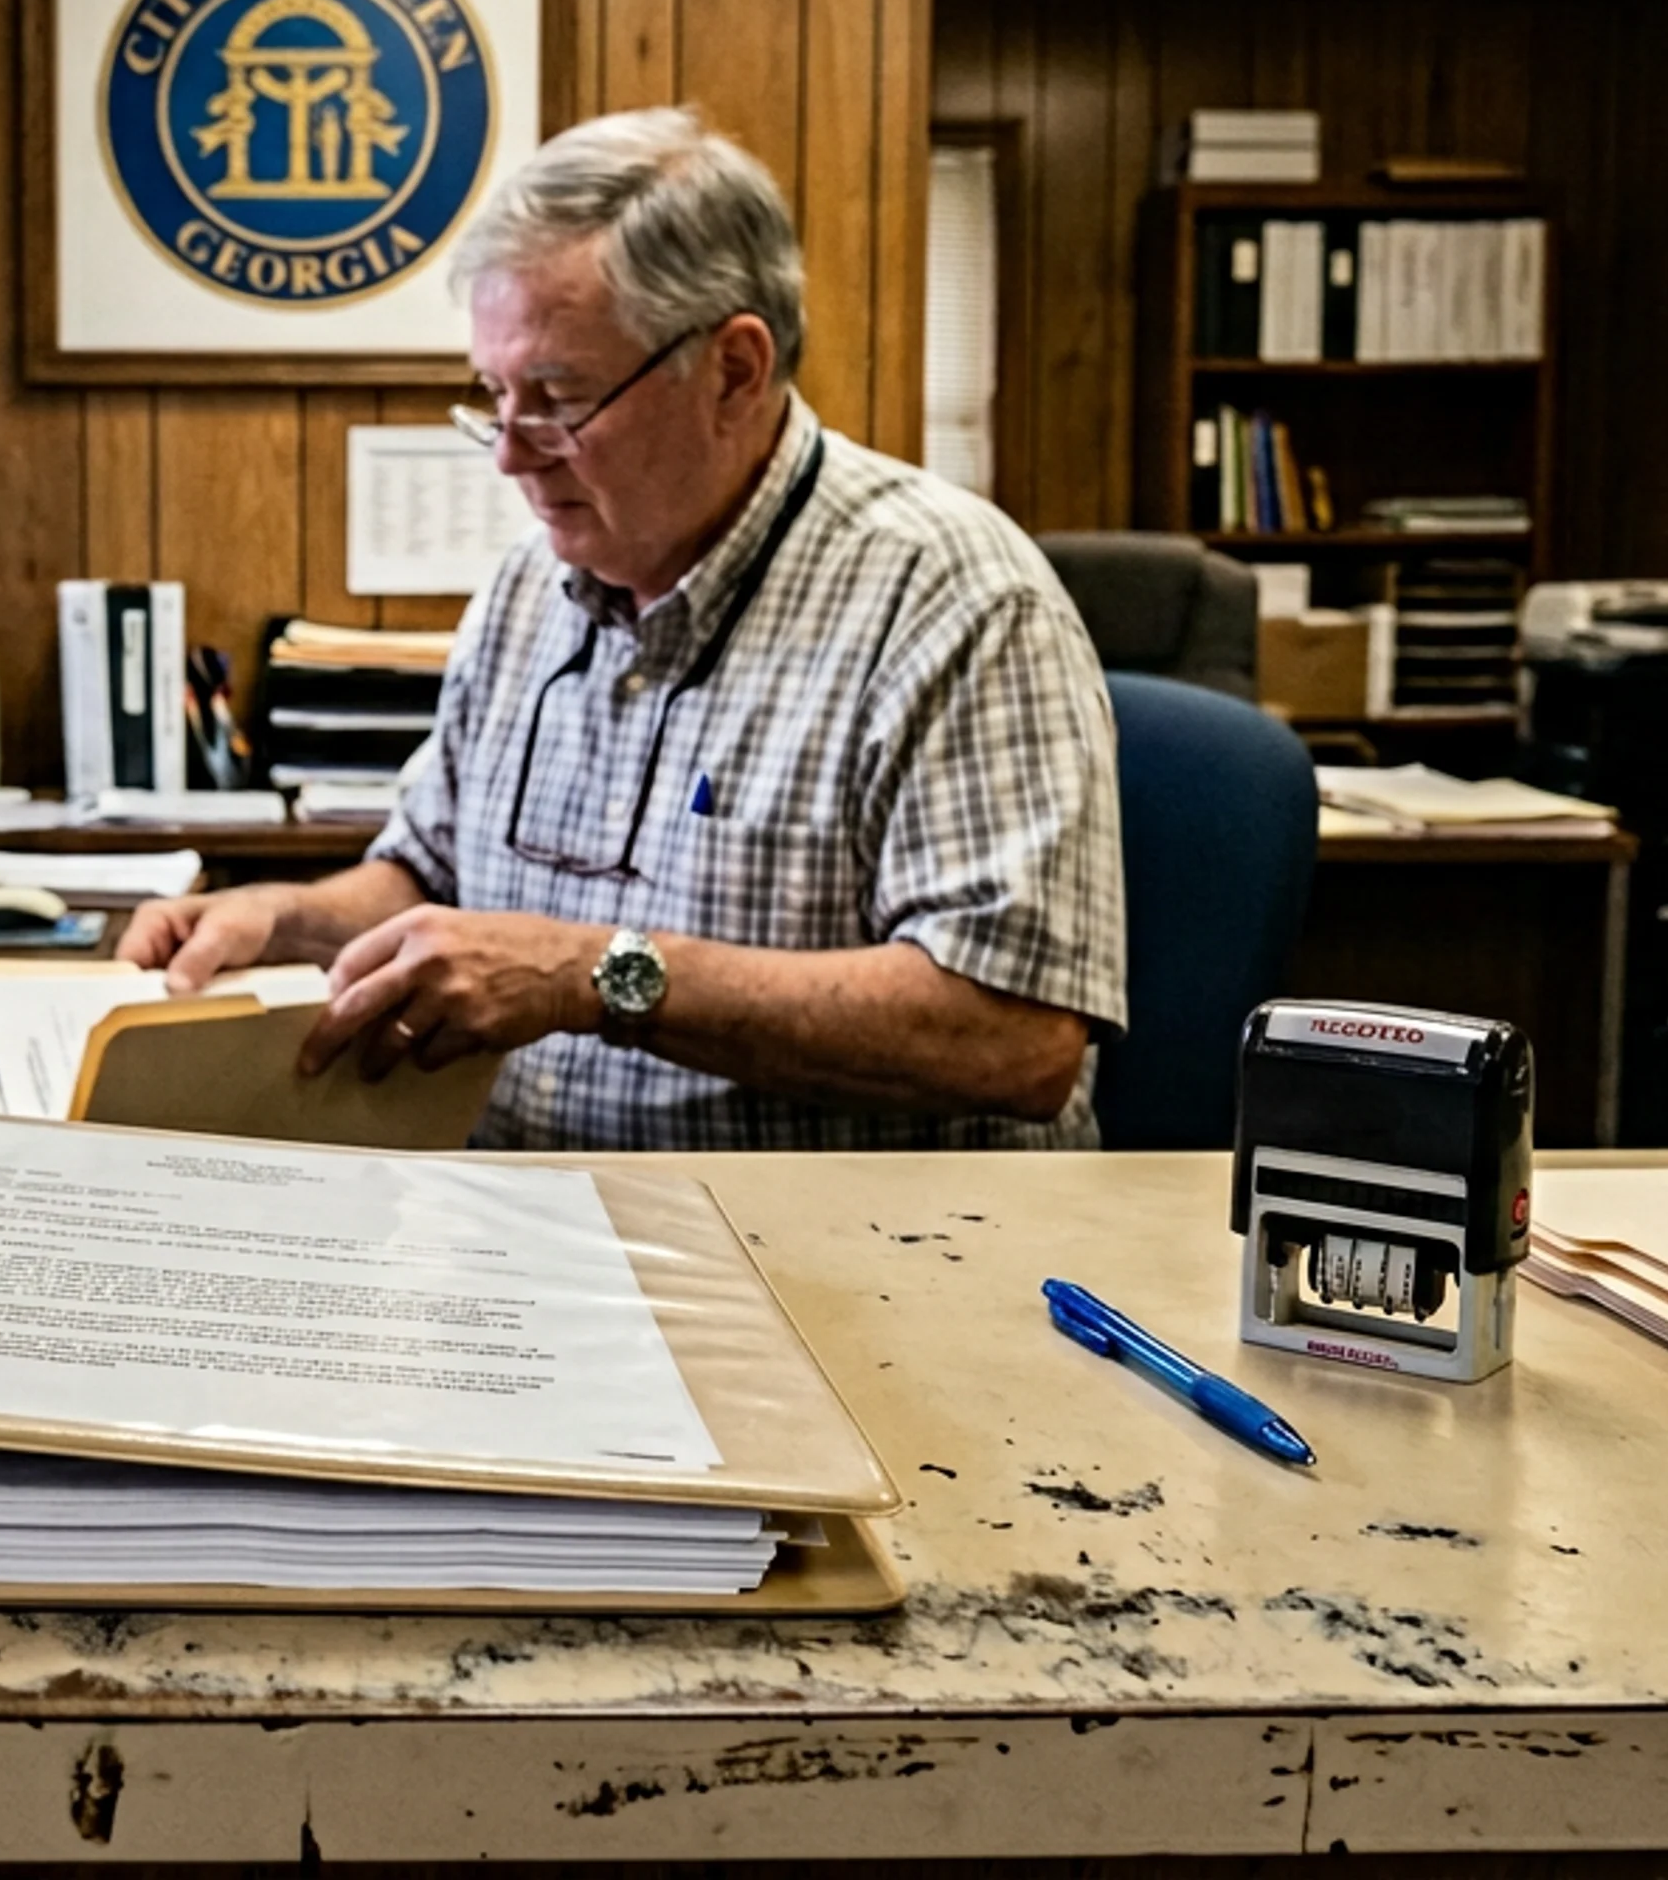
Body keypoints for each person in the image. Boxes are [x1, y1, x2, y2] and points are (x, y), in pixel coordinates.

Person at [117, 106, 1128, 1149]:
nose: (510, 455)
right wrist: (286, 917)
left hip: (814, 1264)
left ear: (734, 370)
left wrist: (597, 977)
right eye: (494, 398)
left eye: (557, 400)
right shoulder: (527, 587)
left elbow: (1016, 1037)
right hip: (515, 1227)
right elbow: (429, 877)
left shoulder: (954, 600)